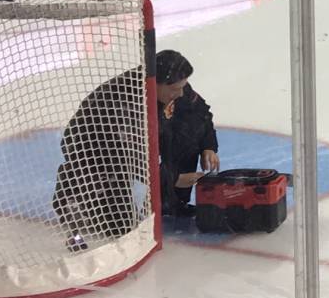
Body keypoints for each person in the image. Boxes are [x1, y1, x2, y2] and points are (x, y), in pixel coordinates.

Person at [53, 49, 219, 249]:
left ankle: (170, 202)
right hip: (95, 151)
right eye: (176, 89)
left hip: (124, 149)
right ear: (155, 83)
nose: (181, 93)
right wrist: (174, 178)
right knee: (120, 227)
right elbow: (133, 160)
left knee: (189, 132)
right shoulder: (123, 107)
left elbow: (200, 113)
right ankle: (74, 192)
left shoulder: (171, 86)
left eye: (182, 87)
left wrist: (208, 146)